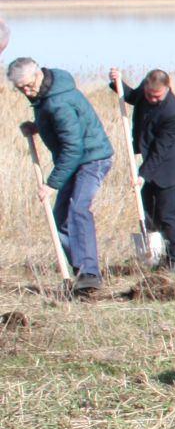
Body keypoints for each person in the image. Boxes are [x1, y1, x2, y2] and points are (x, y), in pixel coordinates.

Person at [9, 57, 113, 296]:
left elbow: (73, 147)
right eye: (20, 88)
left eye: (28, 85)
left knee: (78, 209)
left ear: (38, 74)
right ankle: (81, 272)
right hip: (76, 159)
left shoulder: (57, 101)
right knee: (61, 219)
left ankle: (89, 273)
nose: (26, 91)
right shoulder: (47, 91)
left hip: (92, 158)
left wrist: (51, 184)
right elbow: (63, 126)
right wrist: (38, 126)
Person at [110, 67, 175, 271]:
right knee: (148, 213)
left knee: (167, 214)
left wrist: (142, 175)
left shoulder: (174, 114)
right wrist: (118, 82)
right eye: (149, 95)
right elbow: (131, 97)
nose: (152, 99)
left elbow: (160, 151)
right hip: (149, 163)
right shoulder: (145, 93)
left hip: (168, 169)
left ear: (167, 88)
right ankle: (155, 255)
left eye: (157, 96)